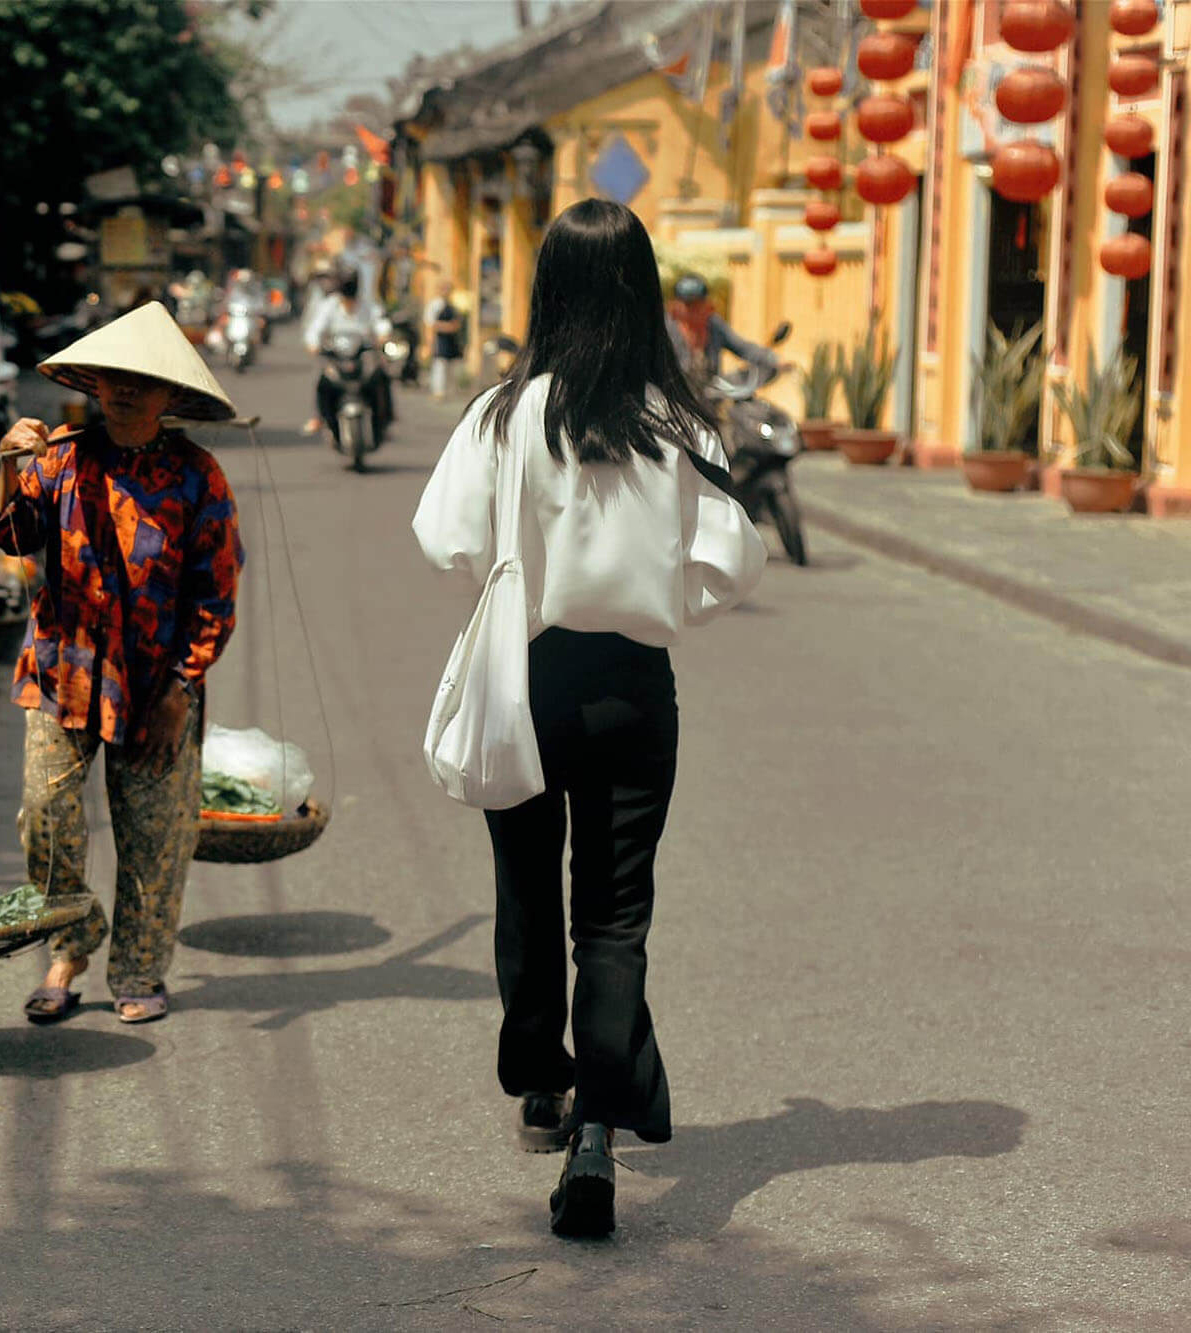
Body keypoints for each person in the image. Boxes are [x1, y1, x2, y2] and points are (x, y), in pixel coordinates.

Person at [411, 200, 766, 1238]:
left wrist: (512, 575)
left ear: (547, 290)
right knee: (613, 917)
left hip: (523, 676)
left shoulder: (503, 416)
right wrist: (656, 600)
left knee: (525, 891)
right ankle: (597, 1137)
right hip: (630, 688)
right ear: (642, 290)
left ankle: (536, 1071)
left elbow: (443, 542)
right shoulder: (679, 421)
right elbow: (727, 564)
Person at [0, 302, 245, 1027]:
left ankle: (137, 967)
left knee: (156, 837)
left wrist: (181, 688)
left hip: (157, 682)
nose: (125, 389)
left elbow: (216, 593)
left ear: (169, 395)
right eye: (114, 377)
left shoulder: (198, 477)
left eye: (143, 379)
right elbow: (15, 528)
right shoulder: (63, 456)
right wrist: (10, 467)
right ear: (95, 383)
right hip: (63, 669)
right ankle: (69, 943)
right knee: (45, 815)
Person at [303, 269, 391, 448]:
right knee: (323, 383)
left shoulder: (368, 305)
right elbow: (315, 330)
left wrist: (383, 335)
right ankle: (324, 420)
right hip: (336, 357)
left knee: (380, 378)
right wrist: (313, 344)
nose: (349, 304)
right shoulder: (329, 306)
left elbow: (381, 322)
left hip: (362, 357)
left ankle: (384, 421)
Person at [666, 273, 780, 386]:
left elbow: (743, 348)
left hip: (711, 393)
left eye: (698, 304)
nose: (694, 310)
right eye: (689, 305)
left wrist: (772, 358)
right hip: (674, 395)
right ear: (675, 307)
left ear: (708, 305)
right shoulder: (666, 330)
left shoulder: (715, 325)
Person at [423, 277, 465, 400]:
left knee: (451, 367)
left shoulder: (452, 306)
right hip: (440, 341)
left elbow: (457, 324)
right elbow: (431, 325)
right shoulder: (435, 305)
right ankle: (438, 392)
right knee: (439, 367)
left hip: (451, 341)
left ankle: (449, 391)